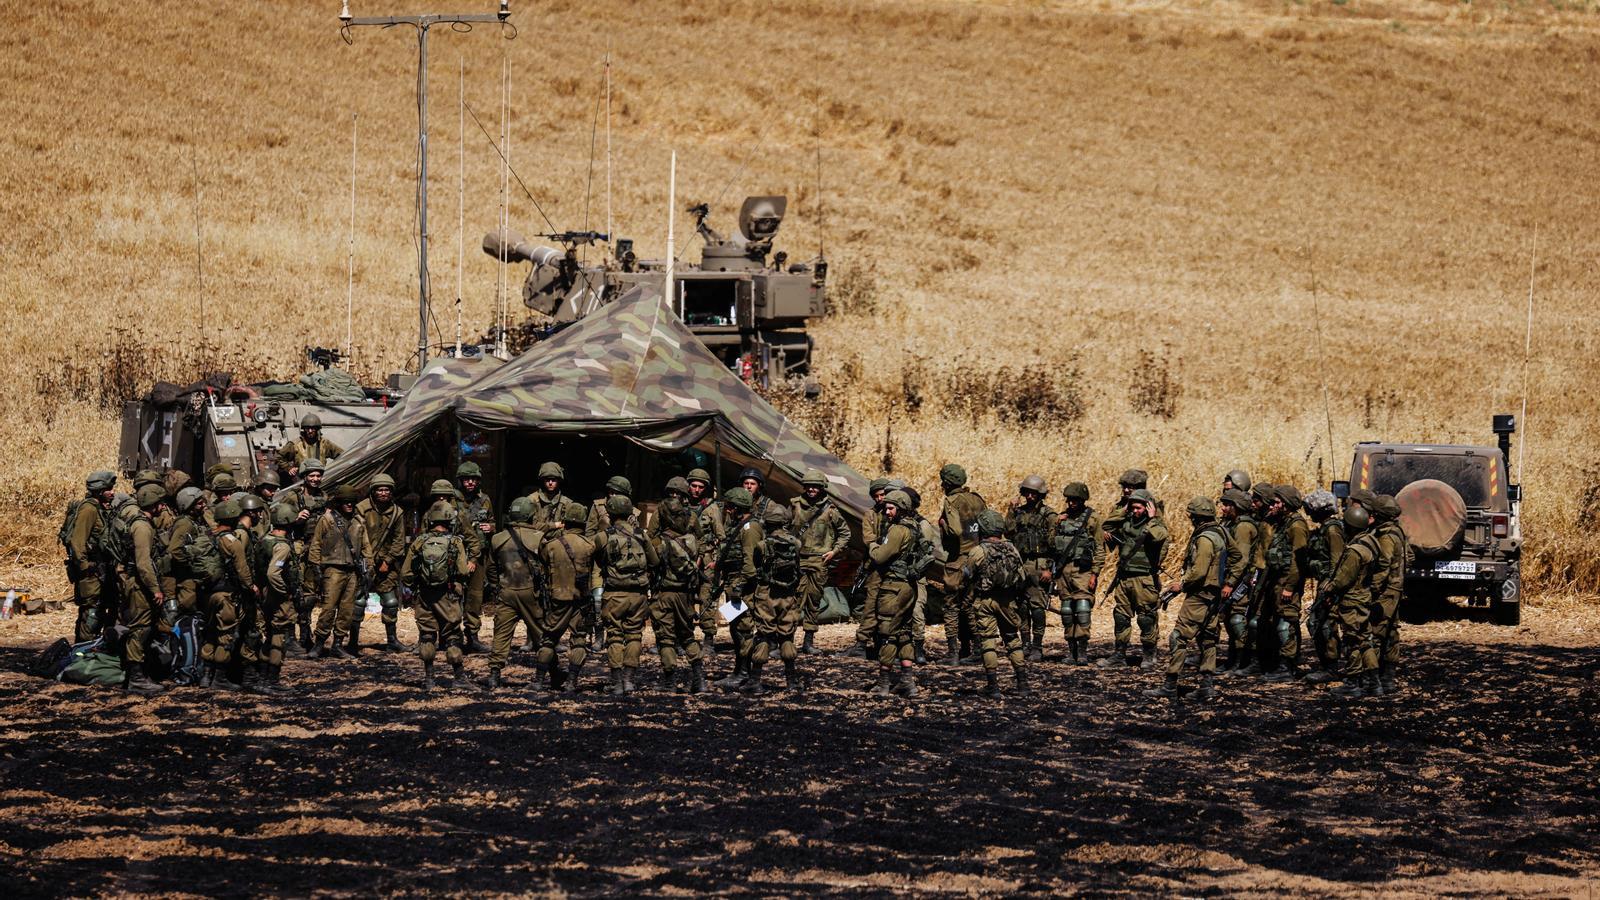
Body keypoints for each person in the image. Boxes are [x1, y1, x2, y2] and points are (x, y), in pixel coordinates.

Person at [1147, 497, 1234, 700]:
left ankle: (1170, 685)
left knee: (1179, 637)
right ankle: (1206, 686)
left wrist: (1181, 585)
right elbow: (1238, 557)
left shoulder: (1204, 539)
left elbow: (1199, 571)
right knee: (1207, 639)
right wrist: (1227, 581)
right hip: (1213, 595)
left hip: (1200, 595)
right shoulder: (1222, 532)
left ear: (1196, 517)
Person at [401, 504, 473, 691]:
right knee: (452, 636)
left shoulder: (419, 542)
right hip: (447, 596)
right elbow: (463, 571)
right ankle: (458, 677)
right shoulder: (455, 542)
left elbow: (406, 573)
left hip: (424, 595)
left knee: (427, 635)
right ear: (450, 521)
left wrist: (417, 584)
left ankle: (429, 679)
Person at [1315, 505, 1382, 698]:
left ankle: (1353, 682)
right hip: (1364, 597)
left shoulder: (1354, 550)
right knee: (1365, 641)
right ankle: (1373, 682)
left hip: (1352, 601)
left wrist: (1327, 589)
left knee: (1352, 641)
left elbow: (1342, 579)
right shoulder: (1372, 542)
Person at [594, 495, 659, 695]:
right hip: (638, 595)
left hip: (614, 594)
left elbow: (598, 561)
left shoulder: (603, 536)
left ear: (611, 513)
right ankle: (629, 680)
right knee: (634, 635)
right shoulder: (642, 534)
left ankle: (617, 682)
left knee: (614, 636)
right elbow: (654, 562)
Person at [647, 477, 706, 693]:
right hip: (685, 589)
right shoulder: (691, 518)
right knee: (687, 635)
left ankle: (670, 681)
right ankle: (699, 678)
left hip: (663, 589)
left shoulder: (659, 514)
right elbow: (701, 543)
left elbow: (649, 543)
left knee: (666, 637)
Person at [112, 484, 170, 695]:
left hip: (137, 582)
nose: (163, 507)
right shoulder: (143, 527)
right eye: (160, 503)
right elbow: (144, 564)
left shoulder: (138, 522)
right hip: (140, 585)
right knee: (140, 629)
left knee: (143, 628)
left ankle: (139, 675)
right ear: (152, 505)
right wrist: (155, 588)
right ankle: (136, 679)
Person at [1099, 488, 1167, 669]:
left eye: (1139, 508)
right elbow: (1106, 525)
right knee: (1121, 617)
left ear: (1148, 507)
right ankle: (1119, 655)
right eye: (1133, 508)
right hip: (1124, 577)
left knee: (1146, 618)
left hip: (1144, 579)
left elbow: (1160, 536)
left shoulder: (1156, 525)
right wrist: (1125, 508)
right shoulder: (1127, 522)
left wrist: (1152, 518)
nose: (1135, 511)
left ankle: (1149, 655)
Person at [965, 509, 1030, 698]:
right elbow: (1022, 577)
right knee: (1012, 639)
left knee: (988, 642)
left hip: (985, 601)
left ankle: (993, 686)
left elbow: (967, 575)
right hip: (1008, 601)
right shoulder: (1012, 549)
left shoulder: (978, 551)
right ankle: (1022, 684)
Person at [484, 497, 547, 690]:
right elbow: (547, 566)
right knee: (542, 635)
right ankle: (546, 673)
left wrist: (497, 587)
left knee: (501, 635)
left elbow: (491, 568)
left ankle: (494, 674)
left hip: (506, 592)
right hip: (531, 593)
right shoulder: (539, 537)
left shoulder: (497, 539)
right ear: (530, 515)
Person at [867, 489, 925, 697]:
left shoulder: (897, 530)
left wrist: (872, 546)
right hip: (909, 587)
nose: (887, 512)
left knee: (886, 634)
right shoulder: (916, 527)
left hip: (893, 587)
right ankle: (907, 682)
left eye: (891, 508)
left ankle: (883, 683)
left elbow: (881, 556)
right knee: (904, 633)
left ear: (901, 509)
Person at [536, 502, 596, 692]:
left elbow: (543, 565)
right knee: (579, 640)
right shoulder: (590, 546)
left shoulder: (552, 545)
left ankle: (538, 681)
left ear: (566, 522)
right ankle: (572, 681)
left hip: (557, 599)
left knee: (548, 639)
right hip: (581, 600)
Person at [307, 485, 372, 659]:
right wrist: (316, 569)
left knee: (347, 610)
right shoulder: (327, 519)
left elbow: (366, 546)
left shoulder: (359, 521)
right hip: (333, 569)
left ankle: (337, 644)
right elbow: (316, 544)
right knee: (328, 608)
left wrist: (368, 568)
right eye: (345, 502)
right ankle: (319, 643)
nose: (349, 505)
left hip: (352, 571)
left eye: (352, 502)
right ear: (339, 503)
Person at [745, 504, 803, 696]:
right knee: (787, 636)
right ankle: (792, 682)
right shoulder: (796, 543)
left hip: (766, 594)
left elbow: (756, 564)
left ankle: (755, 681)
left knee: (764, 635)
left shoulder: (762, 545)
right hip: (788, 595)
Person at [790, 469, 849, 657]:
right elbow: (784, 527)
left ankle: (808, 641)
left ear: (822, 488)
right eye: (808, 486)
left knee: (814, 601)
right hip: (798, 559)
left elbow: (845, 533)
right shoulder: (794, 505)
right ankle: (787, 641)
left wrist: (835, 551)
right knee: (794, 600)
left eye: (815, 486)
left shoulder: (831, 510)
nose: (811, 489)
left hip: (819, 560)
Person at [712, 487, 763, 690]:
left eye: (729, 507)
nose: (727, 510)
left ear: (735, 508)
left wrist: (738, 588)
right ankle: (738, 671)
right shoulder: (739, 525)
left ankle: (743, 673)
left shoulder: (750, 528)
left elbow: (750, 565)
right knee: (735, 628)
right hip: (734, 584)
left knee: (743, 629)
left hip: (742, 587)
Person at [935, 464, 986, 665]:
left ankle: (953, 653)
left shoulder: (951, 501)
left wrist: (943, 524)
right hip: (978, 557)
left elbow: (955, 531)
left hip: (958, 559)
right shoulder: (977, 499)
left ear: (947, 483)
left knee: (951, 606)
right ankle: (977, 649)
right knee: (971, 605)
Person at [207, 499, 258, 692]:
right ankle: (220, 678)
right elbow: (243, 571)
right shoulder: (232, 541)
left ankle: (205, 676)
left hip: (209, 593)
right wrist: (251, 587)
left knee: (211, 634)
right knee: (226, 635)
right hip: (227, 594)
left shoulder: (209, 536)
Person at [1052, 482, 1104, 665]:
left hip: (1083, 570)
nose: (1071, 503)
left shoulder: (1093, 519)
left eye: (1075, 500)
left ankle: (1082, 652)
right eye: (1069, 500)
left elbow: (1099, 548)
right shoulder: (1061, 518)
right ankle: (1070, 651)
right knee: (1066, 610)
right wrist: (1056, 524)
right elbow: (1051, 544)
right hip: (1064, 570)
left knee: (1082, 608)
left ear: (1082, 500)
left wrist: (1095, 574)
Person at [1004, 474, 1056, 662]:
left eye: (1034, 493)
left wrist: (1050, 570)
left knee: (1037, 608)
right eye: (1027, 492)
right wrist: (1011, 510)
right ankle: (1025, 643)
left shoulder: (1049, 516)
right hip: (1020, 564)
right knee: (1022, 607)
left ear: (1041, 494)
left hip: (1040, 564)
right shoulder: (1018, 513)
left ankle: (1037, 646)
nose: (1030, 496)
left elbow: (1055, 546)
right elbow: (1008, 531)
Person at [1261, 485, 1310, 682]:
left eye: (1276, 502)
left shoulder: (1296, 526)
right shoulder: (1283, 523)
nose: (1272, 505)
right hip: (1278, 581)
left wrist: (1290, 587)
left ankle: (1288, 667)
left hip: (1287, 583)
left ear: (1287, 504)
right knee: (1280, 621)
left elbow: (1299, 561)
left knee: (1286, 624)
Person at [61, 471, 116, 643]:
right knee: (91, 615)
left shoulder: (100, 509)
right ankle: (81, 656)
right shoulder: (89, 509)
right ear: (99, 491)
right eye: (108, 489)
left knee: (98, 612)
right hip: (90, 573)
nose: (112, 492)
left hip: (99, 570)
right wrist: (85, 568)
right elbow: (78, 542)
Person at [251, 503, 300, 695]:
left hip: (264, 594)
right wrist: (283, 591)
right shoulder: (282, 546)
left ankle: (263, 677)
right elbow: (273, 573)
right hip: (276, 596)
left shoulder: (265, 539)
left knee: (271, 634)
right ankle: (271, 679)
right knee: (279, 636)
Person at [356, 474, 409, 652]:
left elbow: (399, 541)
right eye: (380, 489)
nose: (383, 493)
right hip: (363, 562)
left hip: (386, 564)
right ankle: (352, 642)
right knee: (358, 603)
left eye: (387, 489)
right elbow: (356, 536)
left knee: (391, 602)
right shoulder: (361, 509)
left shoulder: (397, 512)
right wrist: (365, 560)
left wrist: (388, 561)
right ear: (373, 491)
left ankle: (392, 641)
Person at [1301, 489, 1345, 680]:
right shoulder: (1324, 529)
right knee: (1316, 623)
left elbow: (1337, 562)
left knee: (1325, 625)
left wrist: (1331, 590)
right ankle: (1327, 664)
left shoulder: (1333, 530)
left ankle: (1331, 667)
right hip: (1324, 583)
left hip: (1329, 585)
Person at [1368, 494, 1409, 695]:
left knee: (1375, 634)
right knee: (1391, 635)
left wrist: (1371, 590)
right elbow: (1410, 556)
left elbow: (1382, 566)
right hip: (1397, 590)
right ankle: (1388, 680)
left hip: (1385, 593)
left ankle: (1372, 682)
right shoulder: (1398, 532)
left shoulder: (1385, 536)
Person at [1219, 488, 1261, 675]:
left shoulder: (1243, 527)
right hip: (1234, 578)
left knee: (1237, 619)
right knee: (1229, 619)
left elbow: (1242, 559)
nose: (1223, 509)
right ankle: (1232, 660)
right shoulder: (1234, 524)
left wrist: (1229, 583)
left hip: (1240, 582)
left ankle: (1242, 661)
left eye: (1227, 505)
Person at [685, 469, 726, 660]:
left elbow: (721, 537)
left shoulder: (711, 508)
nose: (696, 490)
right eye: (693, 486)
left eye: (701, 487)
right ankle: (682, 640)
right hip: (684, 560)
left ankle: (708, 640)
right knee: (683, 599)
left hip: (707, 560)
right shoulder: (681, 506)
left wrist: (716, 561)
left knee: (707, 599)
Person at [455, 462, 496, 655]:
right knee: (453, 595)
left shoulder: (485, 499)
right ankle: (452, 636)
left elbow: (493, 521)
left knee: (474, 597)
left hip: (479, 555)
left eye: (473, 479)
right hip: (455, 554)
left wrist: (491, 527)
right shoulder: (452, 499)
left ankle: (472, 636)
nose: (470, 482)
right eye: (466, 479)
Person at [277, 413, 344, 481]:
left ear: (317, 429)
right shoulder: (296, 444)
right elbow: (279, 457)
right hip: (301, 479)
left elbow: (342, 455)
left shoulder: (324, 443)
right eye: (307, 428)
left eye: (312, 428)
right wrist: (289, 468)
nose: (310, 431)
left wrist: (333, 470)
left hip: (319, 478)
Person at [528, 461, 573, 531]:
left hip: (559, 541)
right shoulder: (532, 500)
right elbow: (529, 526)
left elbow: (568, 530)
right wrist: (554, 525)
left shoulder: (566, 503)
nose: (550, 483)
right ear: (543, 480)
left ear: (559, 481)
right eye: (547, 480)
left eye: (553, 480)